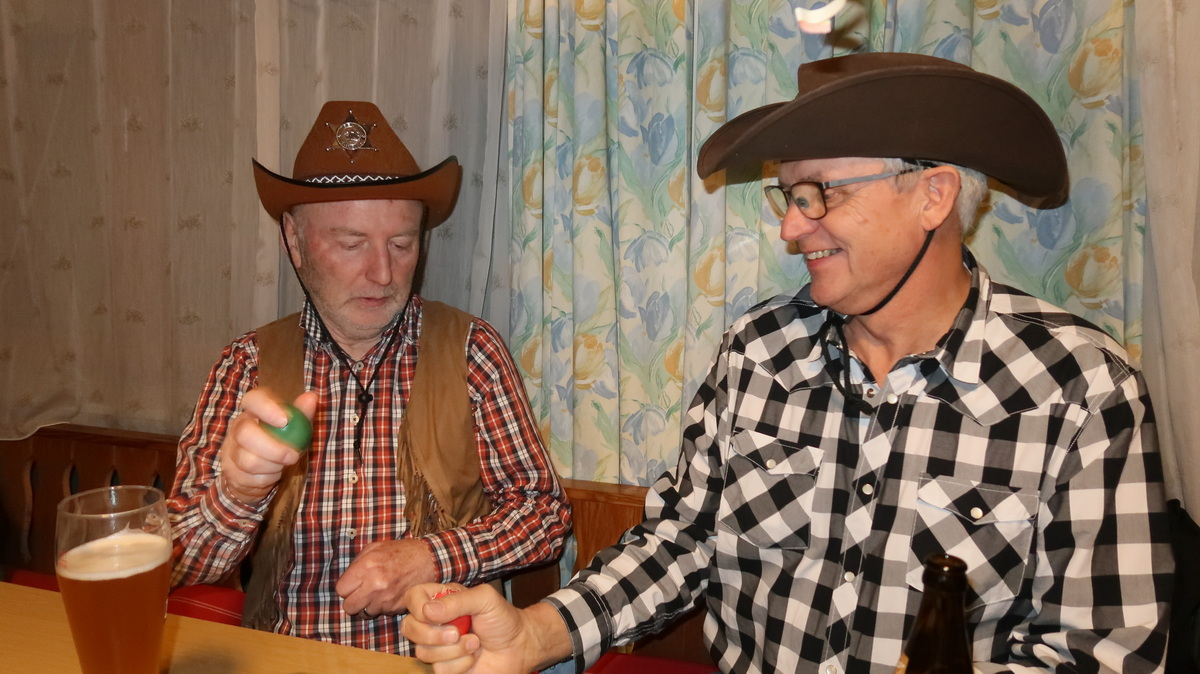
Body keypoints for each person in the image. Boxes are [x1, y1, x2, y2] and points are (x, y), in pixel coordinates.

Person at [400, 52, 1173, 673]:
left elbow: (1103, 655)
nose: (791, 229)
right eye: (789, 196)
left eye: (820, 194)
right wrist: (536, 633)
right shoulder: (758, 351)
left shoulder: (1080, 389)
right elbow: (681, 543)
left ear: (932, 196)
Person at [168, 100, 571, 655]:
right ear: (293, 240)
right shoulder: (246, 366)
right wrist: (237, 495)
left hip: (441, 662)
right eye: (351, 244)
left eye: (402, 244)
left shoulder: (471, 350)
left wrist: (432, 556)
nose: (383, 273)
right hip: (287, 659)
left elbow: (544, 514)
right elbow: (177, 562)